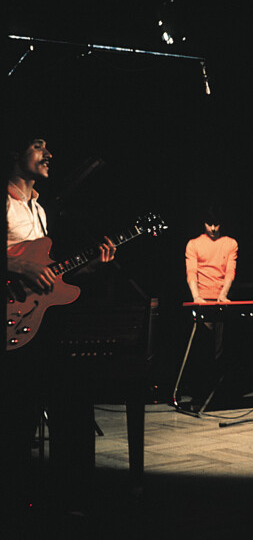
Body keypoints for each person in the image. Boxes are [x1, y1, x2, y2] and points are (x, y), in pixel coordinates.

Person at [2, 135, 116, 517]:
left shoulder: (39, 209)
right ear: (15, 151)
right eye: (38, 146)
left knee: (72, 406)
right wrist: (20, 265)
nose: (48, 154)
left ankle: (71, 500)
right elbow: (23, 266)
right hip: (11, 324)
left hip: (39, 322)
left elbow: (48, 276)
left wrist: (91, 267)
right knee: (17, 418)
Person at [184, 207, 238, 407]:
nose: (213, 229)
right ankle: (199, 391)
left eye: (216, 225)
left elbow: (230, 271)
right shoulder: (194, 244)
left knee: (220, 348)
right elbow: (191, 272)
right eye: (210, 225)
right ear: (203, 223)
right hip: (201, 298)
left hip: (220, 299)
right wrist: (197, 296)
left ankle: (218, 392)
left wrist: (223, 294)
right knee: (202, 347)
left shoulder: (230, 243)